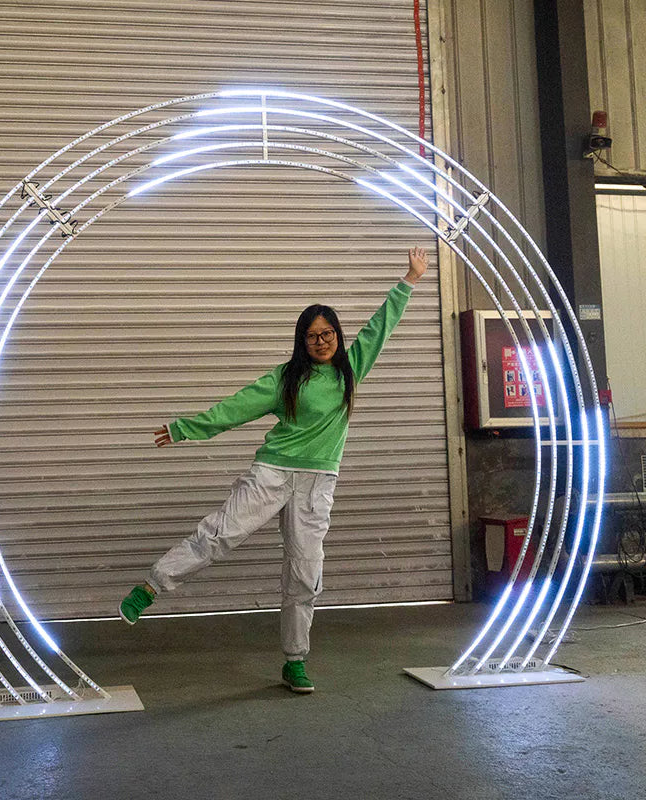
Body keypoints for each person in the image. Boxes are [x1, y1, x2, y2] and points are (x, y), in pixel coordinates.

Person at [119, 247, 429, 693]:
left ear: (338, 336)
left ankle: (294, 660)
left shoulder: (352, 369)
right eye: (311, 336)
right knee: (218, 535)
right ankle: (151, 587)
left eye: (327, 333)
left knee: (305, 573)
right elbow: (237, 407)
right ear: (301, 341)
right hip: (272, 473)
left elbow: (381, 326)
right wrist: (185, 428)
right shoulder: (286, 378)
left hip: (318, 482)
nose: (320, 341)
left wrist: (410, 278)